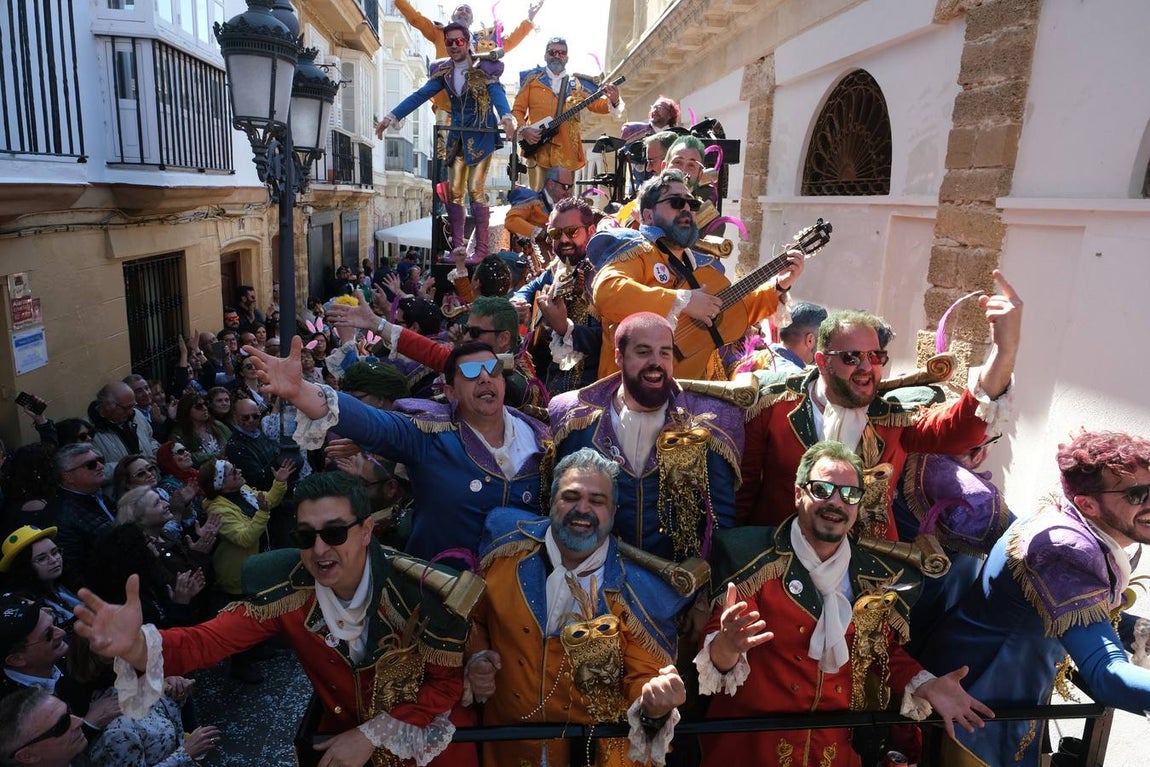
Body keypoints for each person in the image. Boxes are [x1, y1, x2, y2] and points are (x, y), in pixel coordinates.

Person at [73, 472, 477, 767]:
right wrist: (136, 647)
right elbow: (206, 642)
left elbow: (445, 685)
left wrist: (373, 734)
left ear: (367, 529)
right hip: (342, 743)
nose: (319, 550)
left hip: (428, 746)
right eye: (305, 536)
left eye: (335, 533)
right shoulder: (287, 591)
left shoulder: (419, 589)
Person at [696, 440, 994, 767]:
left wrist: (927, 683)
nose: (836, 503)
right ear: (798, 493)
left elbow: (882, 654)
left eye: (849, 495)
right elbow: (717, 658)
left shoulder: (875, 575)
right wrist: (726, 645)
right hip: (752, 750)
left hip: (832, 751)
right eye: (823, 489)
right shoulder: (752, 559)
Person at [917, 430, 1150, 766]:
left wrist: (1140, 629)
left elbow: (1086, 613)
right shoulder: (1063, 548)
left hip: (1004, 701)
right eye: (1138, 494)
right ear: (1088, 504)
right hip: (976, 709)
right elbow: (1107, 674)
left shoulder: (1073, 519)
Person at [737, 273, 1021, 540]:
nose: (866, 367)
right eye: (851, 357)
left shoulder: (892, 419)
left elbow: (961, 430)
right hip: (782, 560)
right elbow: (744, 492)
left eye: (876, 357)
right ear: (822, 362)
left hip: (868, 567)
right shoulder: (773, 407)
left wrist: (1004, 352)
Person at [468, 448, 690, 766]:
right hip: (506, 751)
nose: (582, 509)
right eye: (571, 497)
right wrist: (476, 656)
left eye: (597, 501)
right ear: (551, 501)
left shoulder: (642, 591)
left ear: (613, 512)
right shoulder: (504, 551)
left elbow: (645, 681)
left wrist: (653, 704)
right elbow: (472, 619)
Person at [246, 339, 548, 566]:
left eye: (493, 369)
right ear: (451, 392)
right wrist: (299, 390)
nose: (484, 377)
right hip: (441, 596)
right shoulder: (429, 434)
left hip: (518, 599)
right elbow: (371, 424)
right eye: (470, 372)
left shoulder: (540, 436)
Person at [549, 312, 742, 561]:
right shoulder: (574, 417)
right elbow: (556, 505)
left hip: (677, 589)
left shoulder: (708, 423)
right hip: (594, 580)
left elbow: (719, 521)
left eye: (665, 352)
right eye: (643, 352)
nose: (656, 362)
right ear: (618, 356)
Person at [589, 169, 803, 380]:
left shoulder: (698, 263)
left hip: (691, 395)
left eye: (691, 204)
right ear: (648, 215)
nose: (686, 209)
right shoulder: (636, 251)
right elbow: (608, 293)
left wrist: (779, 285)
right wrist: (682, 302)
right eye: (675, 202)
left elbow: (733, 310)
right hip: (631, 393)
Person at [377, 23, 516, 260]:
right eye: (449, 42)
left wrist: (506, 116)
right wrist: (392, 116)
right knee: (454, 193)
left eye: (458, 41)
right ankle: (458, 249)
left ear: (467, 41)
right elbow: (420, 95)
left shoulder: (485, 68)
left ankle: (481, 250)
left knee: (475, 190)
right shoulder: (444, 72)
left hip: (481, 137)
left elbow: (497, 93)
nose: (453, 46)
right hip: (457, 138)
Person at [328, 294, 548, 414]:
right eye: (466, 330)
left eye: (475, 332)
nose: (467, 338)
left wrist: (377, 324)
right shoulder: (502, 359)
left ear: (503, 339)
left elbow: (437, 356)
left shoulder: (516, 377)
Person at [512, 197, 602, 394]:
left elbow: (610, 338)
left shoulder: (604, 275)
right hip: (550, 386)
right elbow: (525, 292)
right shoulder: (555, 270)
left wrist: (564, 328)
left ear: (591, 231)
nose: (563, 239)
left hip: (591, 391)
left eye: (572, 231)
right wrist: (517, 304)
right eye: (555, 233)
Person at [512, 37, 623, 190]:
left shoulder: (577, 84)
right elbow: (517, 110)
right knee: (537, 199)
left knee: (563, 201)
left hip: (567, 152)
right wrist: (525, 129)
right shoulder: (532, 80)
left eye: (562, 53)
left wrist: (614, 99)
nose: (557, 56)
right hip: (538, 150)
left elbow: (597, 105)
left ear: (567, 58)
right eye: (553, 52)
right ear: (545, 56)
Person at [49, 444, 114, 579]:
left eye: (100, 460)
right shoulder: (62, 517)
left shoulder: (97, 494)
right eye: (91, 465)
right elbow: (74, 571)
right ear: (68, 477)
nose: (101, 466)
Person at [0, 526, 82, 631]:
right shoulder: (27, 607)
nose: (53, 560)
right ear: (25, 568)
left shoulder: (69, 581)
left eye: (55, 552)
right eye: (42, 558)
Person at [0, 687, 89, 767]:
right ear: (27, 756)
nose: (79, 721)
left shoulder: (78, 758)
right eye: (62, 725)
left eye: (68, 711)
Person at [87, 382, 157, 478]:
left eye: (133, 405)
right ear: (107, 406)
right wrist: (132, 466)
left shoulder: (136, 414)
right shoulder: (88, 432)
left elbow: (150, 438)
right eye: (126, 408)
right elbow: (93, 471)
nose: (130, 411)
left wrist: (155, 450)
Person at [224, 399, 282, 493]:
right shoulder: (235, 446)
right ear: (235, 417)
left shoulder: (259, 432)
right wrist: (279, 458)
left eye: (255, 416)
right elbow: (257, 479)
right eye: (245, 417)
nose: (251, 420)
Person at [504, 166, 575, 240]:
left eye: (571, 187)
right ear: (551, 184)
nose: (569, 192)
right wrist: (539, 233)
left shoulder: (568, 207)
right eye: (566, 187)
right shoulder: (532, 200)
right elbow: (511, 220)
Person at [168, 393, 231, 469]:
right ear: (187, 411)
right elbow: (185, 458)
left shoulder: (217, 425)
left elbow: (233, 443)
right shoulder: (179, 434)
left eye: (205, 404)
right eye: (199, 407)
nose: (204, 408)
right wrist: (217, 456)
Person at [125, 373, 170, 443]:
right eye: (139, 391)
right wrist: (156, 423)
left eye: (146, 388)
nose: (146, 393)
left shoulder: (156, 408)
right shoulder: (133, 418)